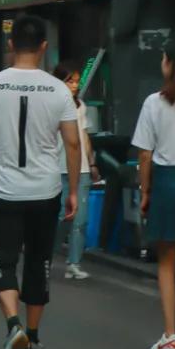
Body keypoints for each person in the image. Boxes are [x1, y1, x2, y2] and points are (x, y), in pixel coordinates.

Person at [0, 13, 80, 349]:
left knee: (4, 260)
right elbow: (73, 143)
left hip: (2, 190)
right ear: (44, 47)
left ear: (11, 44)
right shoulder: (58, 90)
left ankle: (13, 324)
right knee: (39, 260)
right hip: (46, 190)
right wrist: (73, 190)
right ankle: (32, 336)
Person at [132, 35, 175, 349]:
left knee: (167, 260)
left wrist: (145, 191)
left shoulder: (154, 102)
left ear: (169, 64)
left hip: (167, 183)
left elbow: (144, 155)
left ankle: (170, 336)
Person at [53, 62, 97, 281]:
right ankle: (46, 255)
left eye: (77, 82)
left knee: (81, 219)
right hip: (58, 167)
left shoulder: (81, 106)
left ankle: (74, 263)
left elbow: (84, 136)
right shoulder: (51, 105)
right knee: (62, 216)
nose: (74, 85)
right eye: (70, 81)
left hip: (82, 169)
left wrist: (92, 162)